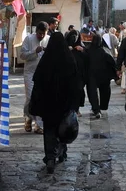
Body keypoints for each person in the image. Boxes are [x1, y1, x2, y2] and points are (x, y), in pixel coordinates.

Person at [30, 32, 80, 174]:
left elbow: (37, 83)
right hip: (64, 105)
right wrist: (74, 105)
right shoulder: (69, 60)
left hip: (48, 105)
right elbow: (76, 84)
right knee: (63, 129)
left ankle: (50, 157)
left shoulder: (46, 61)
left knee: (49, 130)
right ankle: (61, 152)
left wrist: (36, 104)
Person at [20, 22, 49, 134]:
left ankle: (39, 125)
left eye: (43, 34)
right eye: (40, 33)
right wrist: (34, 52)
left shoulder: (49, 39)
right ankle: (28, 118)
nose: (41, 36)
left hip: (43, 74)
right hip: (30, 73)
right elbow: (22, 55)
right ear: (36, 31)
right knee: (30, 97)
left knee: (41, 99)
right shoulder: (29, 39)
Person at [87, 34, 118, 119]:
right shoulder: (105, 51)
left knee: (92, 92)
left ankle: (96, 109)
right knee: (105, 90)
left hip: (91, 75)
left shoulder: (88, 50)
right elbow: (112, 62)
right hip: (104, 75)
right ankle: (103, 106)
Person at [65, 30, 88, 117]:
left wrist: (82, 50)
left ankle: (76, 109)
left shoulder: (81, 47)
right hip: (68, 75)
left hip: (79, 75)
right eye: (72, 35)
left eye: (76, 36)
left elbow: (87, 57)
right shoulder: (65, 46)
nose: (74, 38)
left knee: (78, 92)